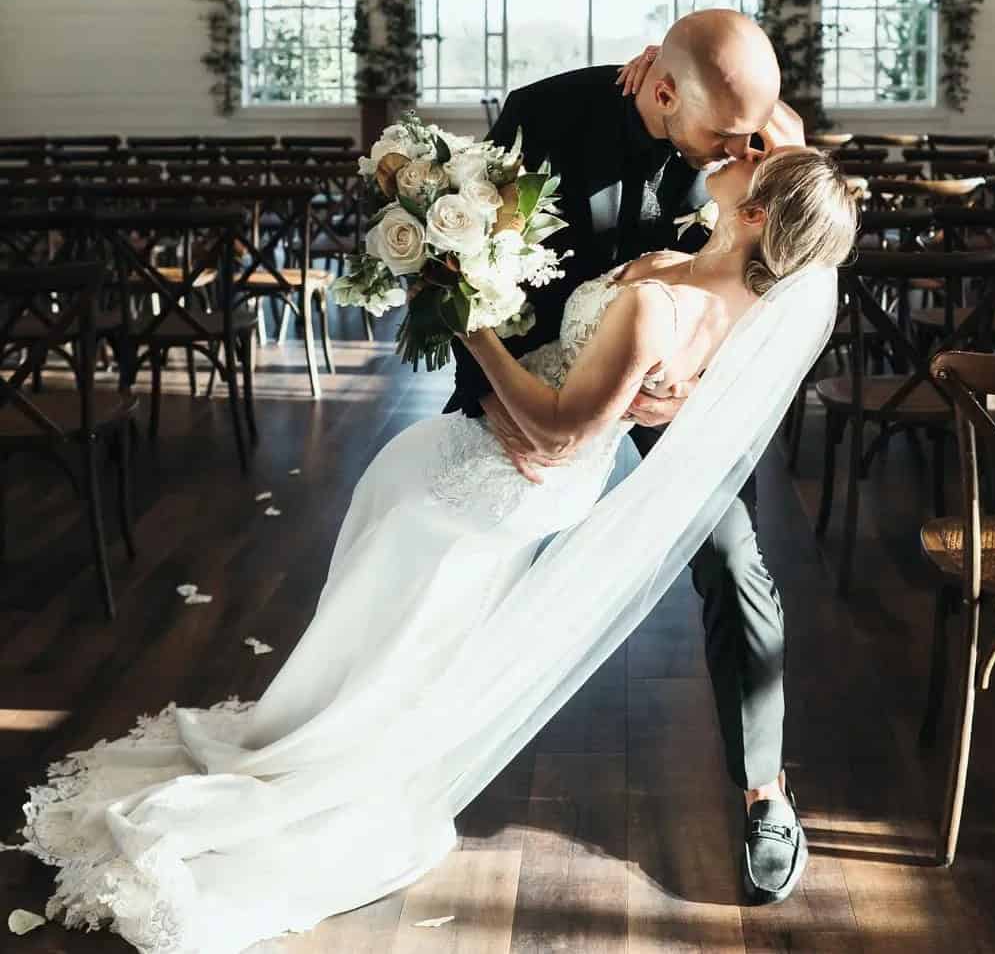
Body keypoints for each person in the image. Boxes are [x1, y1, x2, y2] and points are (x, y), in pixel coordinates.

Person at [7, 138, 856, 954]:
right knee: (411, 634)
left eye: (753, 163)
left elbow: (559, 435)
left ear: (753, 215)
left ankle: (329, 759)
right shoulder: (735, 305)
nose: (738, 151)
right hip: (504, 476)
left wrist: (468, 314)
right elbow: (662, 390)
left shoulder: (659, 301)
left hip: (489, 478)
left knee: (389, 618)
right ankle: (346, 737)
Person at [447, 9, 812, 903]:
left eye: (751, 137)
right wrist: (500, 401)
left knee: (733, 556)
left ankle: (766, 788)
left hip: (674, 396)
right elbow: (468, 270)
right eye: (724, 137)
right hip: (545, 378)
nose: (739, 152)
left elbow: (785, 269)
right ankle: (411, 744)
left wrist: (698, 375)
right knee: (463, 547)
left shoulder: (750, 137)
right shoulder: (546, 116)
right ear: (658, 88)